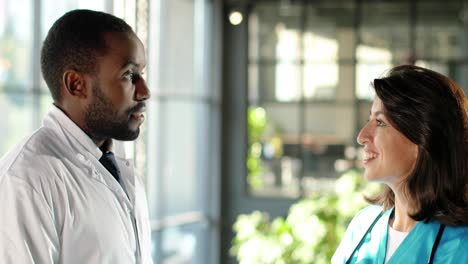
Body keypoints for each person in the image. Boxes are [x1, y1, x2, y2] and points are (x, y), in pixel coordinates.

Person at [0, 9, 152, 264]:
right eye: (128, 75)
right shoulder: (25, 180)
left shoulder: (121, 170)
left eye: (142, 74)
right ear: (76, 85)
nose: (144, 91)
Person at [332, 65, 468, 263]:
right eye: (370, 119)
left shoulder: (460, 246)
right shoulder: (363, 227)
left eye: (380, 122)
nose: (362, 136)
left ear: (422, 139)